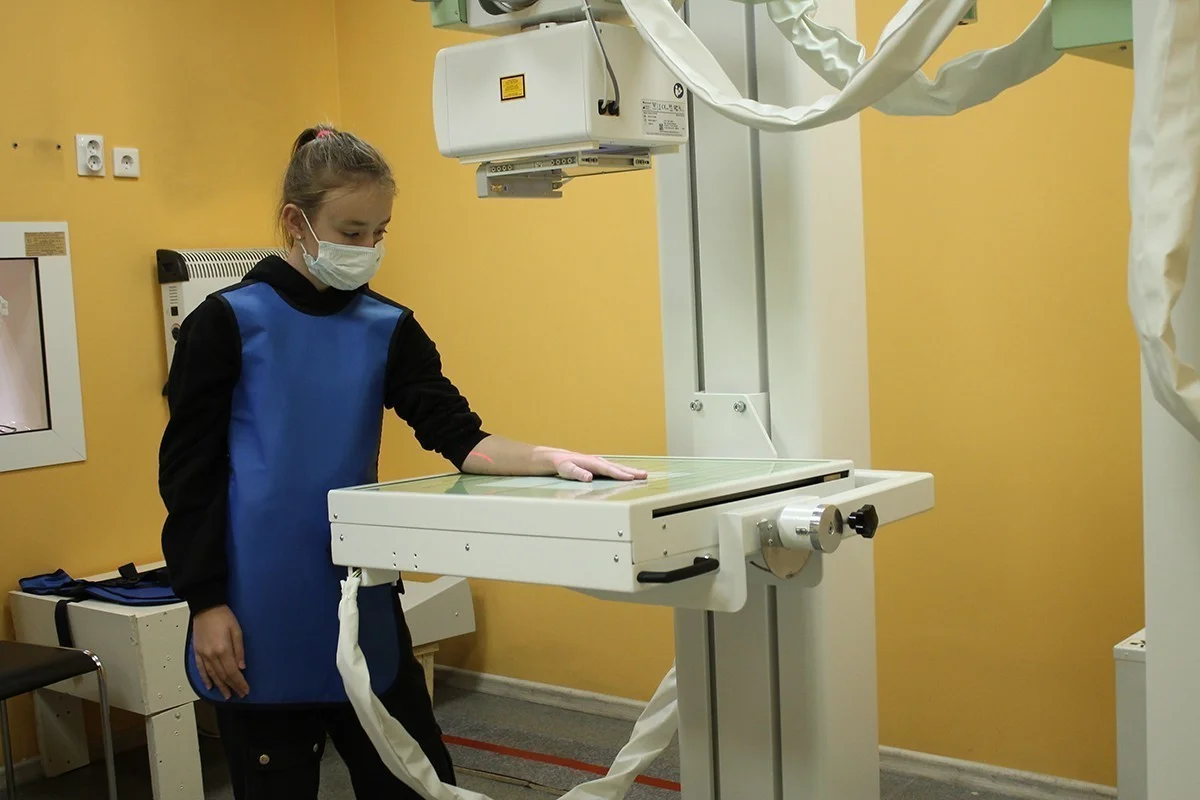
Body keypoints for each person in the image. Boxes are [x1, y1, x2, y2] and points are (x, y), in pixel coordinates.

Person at [158, 123, 647, 799]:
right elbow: (188, 476)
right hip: (254, 602)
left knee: (419, 783)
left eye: (379, 232)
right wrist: (205, 602)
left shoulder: (388, 328)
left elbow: (463, 439)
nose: (367, 248)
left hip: (359, 592)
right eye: (351, 231)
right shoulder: (226, 323)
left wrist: (545, 457)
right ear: (295, 222)